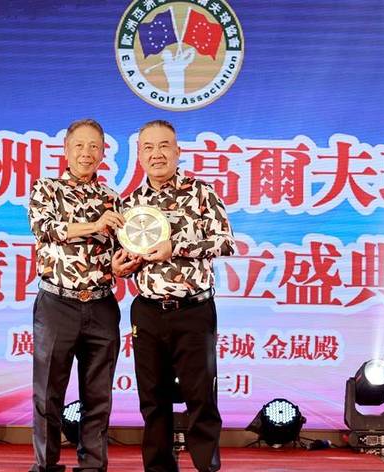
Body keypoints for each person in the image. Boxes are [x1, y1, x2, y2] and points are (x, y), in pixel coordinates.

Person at [113, 119, 235, 472]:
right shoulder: (130, 204)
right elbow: (128, 256)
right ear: (139, 156)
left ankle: (206, 466)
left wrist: (176, 246)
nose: (157, 154)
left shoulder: (201, 192)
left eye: (164, 146)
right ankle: (158, 468)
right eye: (148, 148)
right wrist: (120, 267)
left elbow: (225, 242)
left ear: (178, 151)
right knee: (153, 399)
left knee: (200, 396)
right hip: (147, 312)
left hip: (193, 310)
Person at [28, 118, 136, 472]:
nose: (86, 153)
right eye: (79, 145)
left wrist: (122, 266)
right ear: (66, 150)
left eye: (94, 147)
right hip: (57, 303)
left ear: (103, 153)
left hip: (102, 304)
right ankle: (45, 465)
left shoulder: (113, 199)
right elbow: (45, 229)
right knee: (48, 393)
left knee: (98, 395)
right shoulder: (46, 189)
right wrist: (95, 224)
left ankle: (93, 465)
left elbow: (119, 252)